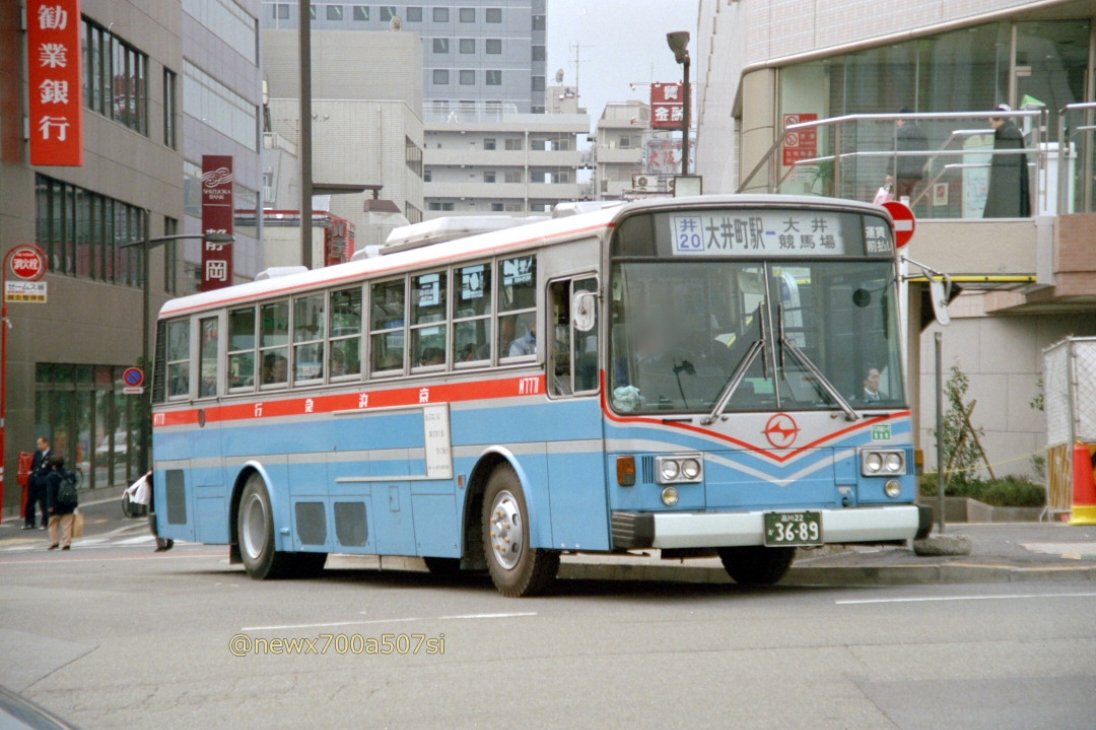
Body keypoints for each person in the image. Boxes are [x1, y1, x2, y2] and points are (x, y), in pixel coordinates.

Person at [983, 103, 1031, 218]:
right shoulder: (1007, 131)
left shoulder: (1009, 132)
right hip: (1007, 186)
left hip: (1008, 189)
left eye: (991, 117)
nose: (989, 120)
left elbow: (1010, 164)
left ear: (998, 117)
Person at [894, 108, 928, 202]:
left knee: (897, 200)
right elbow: (925, 154)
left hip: (902, 174)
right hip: (915, 174)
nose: (897, 123)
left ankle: (899, 216)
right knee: (907, 199)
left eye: (897, 120)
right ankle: (906, 214)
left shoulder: (901, 131)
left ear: (902, 119)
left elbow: (897, 153)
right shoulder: (921, 132)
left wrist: (891, 172)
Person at [45, 454, 76, 550]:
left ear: (53, 465)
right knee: (67, 524)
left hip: (55, 504)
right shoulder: (70, 474)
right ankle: (66, 543)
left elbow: (50, 492)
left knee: (53, 523)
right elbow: (74, 485)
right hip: (69, 502)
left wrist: (50, 505)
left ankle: (54, 542)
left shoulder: (51, 476)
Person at [24, 436, 50, 530]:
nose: (38, 445)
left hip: (43, 482)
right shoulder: (37, 453)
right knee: (30, 502)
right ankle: (29, 522)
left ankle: (45, 522)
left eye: (40, 443)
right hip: (34, 481)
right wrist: (31, 475)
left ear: (45, 443)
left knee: (43, 503)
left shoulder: (51, 455)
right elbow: (33, 466)